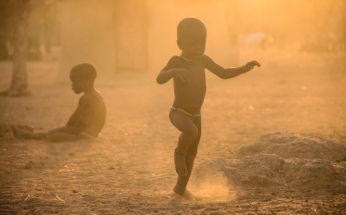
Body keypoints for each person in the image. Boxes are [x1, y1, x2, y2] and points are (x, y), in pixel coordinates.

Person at [156, 18, 261, 200]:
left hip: (197, 114)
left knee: (193, 153)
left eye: (202, 43)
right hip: (178, 112)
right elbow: (159, 78)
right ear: (180, 44)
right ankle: (178, 153)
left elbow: (223, 73)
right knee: (191, 132)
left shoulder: (203, 60)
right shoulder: (176, 61)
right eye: (193, 43)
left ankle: (181, 187)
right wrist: (174, 72)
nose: (199, 47)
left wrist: (244, 68)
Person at [13, 63, 106, 142]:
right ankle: (26, 135)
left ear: (86, 81)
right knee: (54, 133)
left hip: (85, 130)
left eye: (75, 82)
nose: (72, 85)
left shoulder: (86, 97)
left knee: (52, 135)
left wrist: (66, 129)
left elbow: (74, 118)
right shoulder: (97, 94)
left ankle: (81, 138)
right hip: (93, 131)